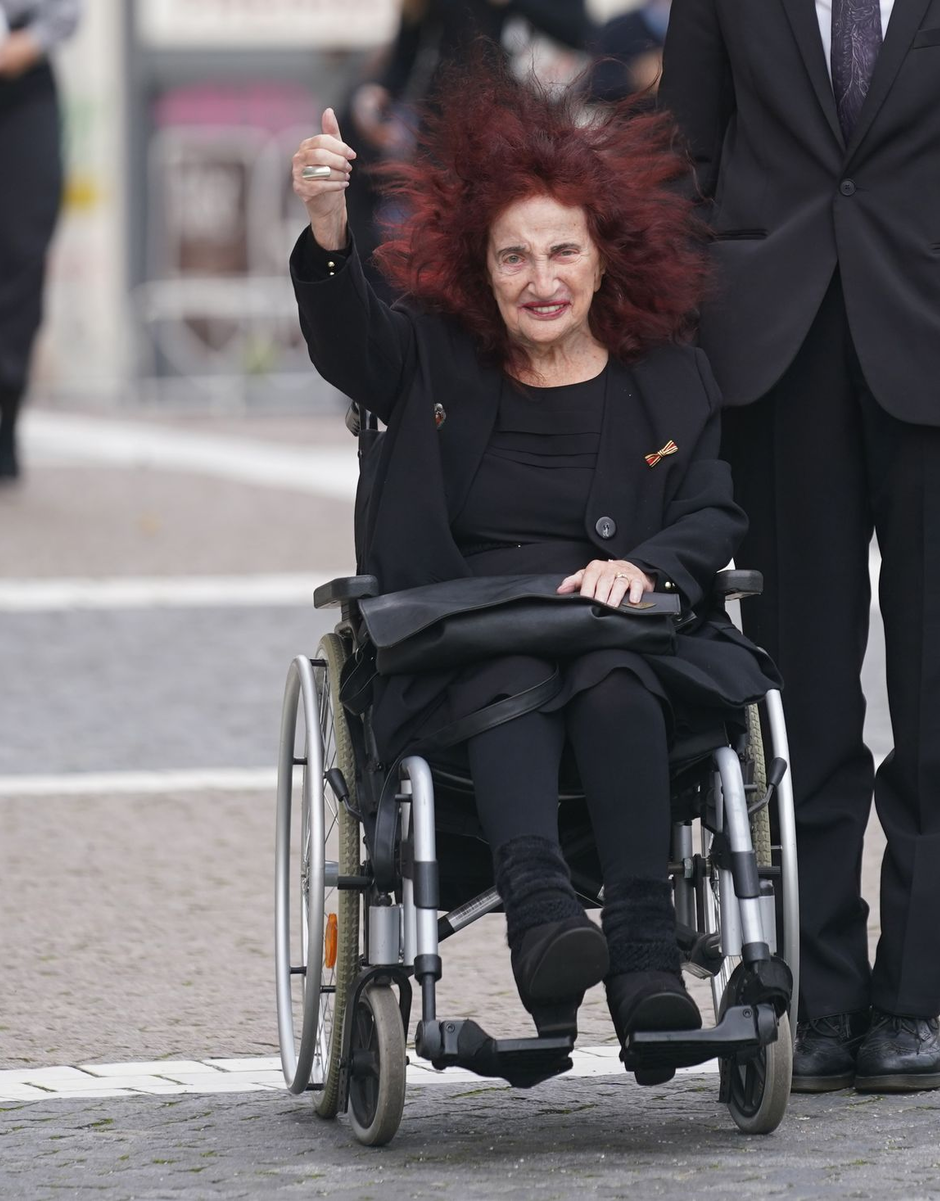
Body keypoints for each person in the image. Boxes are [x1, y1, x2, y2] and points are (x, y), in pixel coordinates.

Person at [289, 63, 779, 1064]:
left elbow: (713, 509)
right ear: (482, 268)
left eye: (563, 250)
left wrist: (644, 567)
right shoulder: (430, 358)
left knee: (609, 674)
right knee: (516, 668)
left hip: (623, 648)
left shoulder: (669, 379)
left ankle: (647, 959)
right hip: (463, 660)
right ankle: (542, 921)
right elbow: (349, 347)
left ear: (606, 259)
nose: (541, 278)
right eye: (513, 256)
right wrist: (331, 226)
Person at [660, 0, 940, 1092]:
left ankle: (910, 996)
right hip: (772, 362)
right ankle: (821, 991)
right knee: (799, 698)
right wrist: (663, 379)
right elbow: (676, 163)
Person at [343, 0, 595, 294]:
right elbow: (405, 55)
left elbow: (583, 33)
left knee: (517, 236)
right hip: (447, 130)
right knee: (445, 244)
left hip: (523, 129)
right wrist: (376, 92)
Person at [0, 0, 81, 480]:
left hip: (23, 76)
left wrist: (17, 49)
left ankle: (7, 408)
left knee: (22, 249)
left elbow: (65, 11)